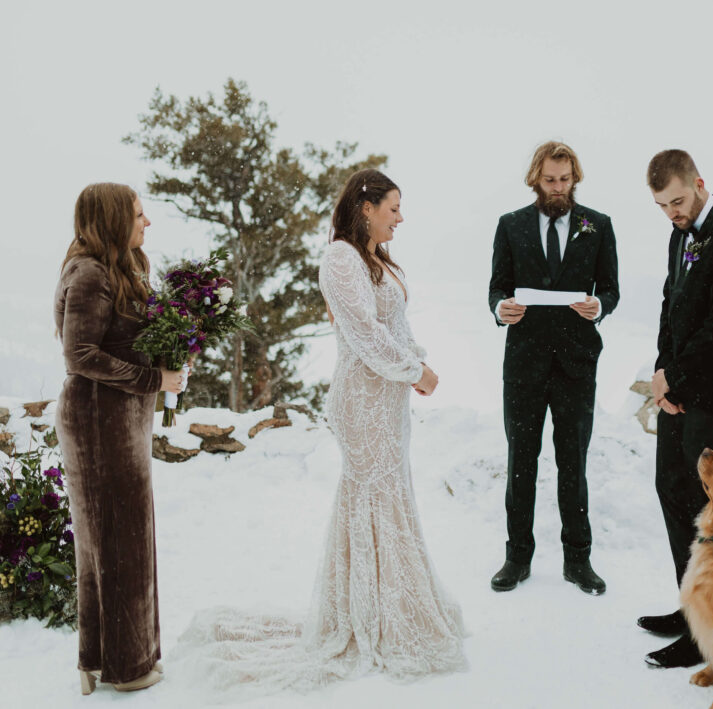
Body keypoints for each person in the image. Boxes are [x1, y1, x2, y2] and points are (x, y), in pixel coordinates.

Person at [175, 169, 465, 689]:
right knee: (371, 497)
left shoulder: (376, 257)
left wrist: (415, 364)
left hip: (389, 398)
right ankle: (365, 618)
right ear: (366, 207)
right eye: (393, 208)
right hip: (362, 398)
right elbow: (365, 335)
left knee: (391, 495)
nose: (401, 218)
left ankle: (391, 605)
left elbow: (395, 328)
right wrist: (414, 371)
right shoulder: (339, 258)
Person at [55, 183, 184, 694]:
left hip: (124, 419)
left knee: (127, 535)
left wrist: (171, 355)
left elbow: (132, 338)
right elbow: (79, 355)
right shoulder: (88, 273)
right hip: (96, 422)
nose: (146, 222)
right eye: (137, 214)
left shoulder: (128, 265)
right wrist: (155, 379)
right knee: (114, 541)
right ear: (111, 219)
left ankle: (112, 657)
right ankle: (123, 667)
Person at [639, 150, 713, 668]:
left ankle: (711, 630)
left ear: (700, 183)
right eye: (663, 206)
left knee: (709, 511)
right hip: (681, 392)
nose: (673, 213)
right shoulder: (679, 236)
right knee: (673, 490)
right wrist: (662, 374)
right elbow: (672, 307)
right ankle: (692, 608)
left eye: (679, 201)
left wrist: (678, 375)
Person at [487, 141, 619, 595]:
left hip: (577, 364)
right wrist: (499, 308)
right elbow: (497, 288)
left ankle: (577, 560)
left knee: (573, 465)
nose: (558, 188)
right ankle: (516, 559)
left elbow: (612, 290)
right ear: (535, 179)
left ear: (574, 179)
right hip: (523, 364)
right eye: (550, 180)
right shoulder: (510, 225)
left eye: (565, 180)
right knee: (520, 463)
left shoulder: (598, 226)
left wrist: (600, 304)